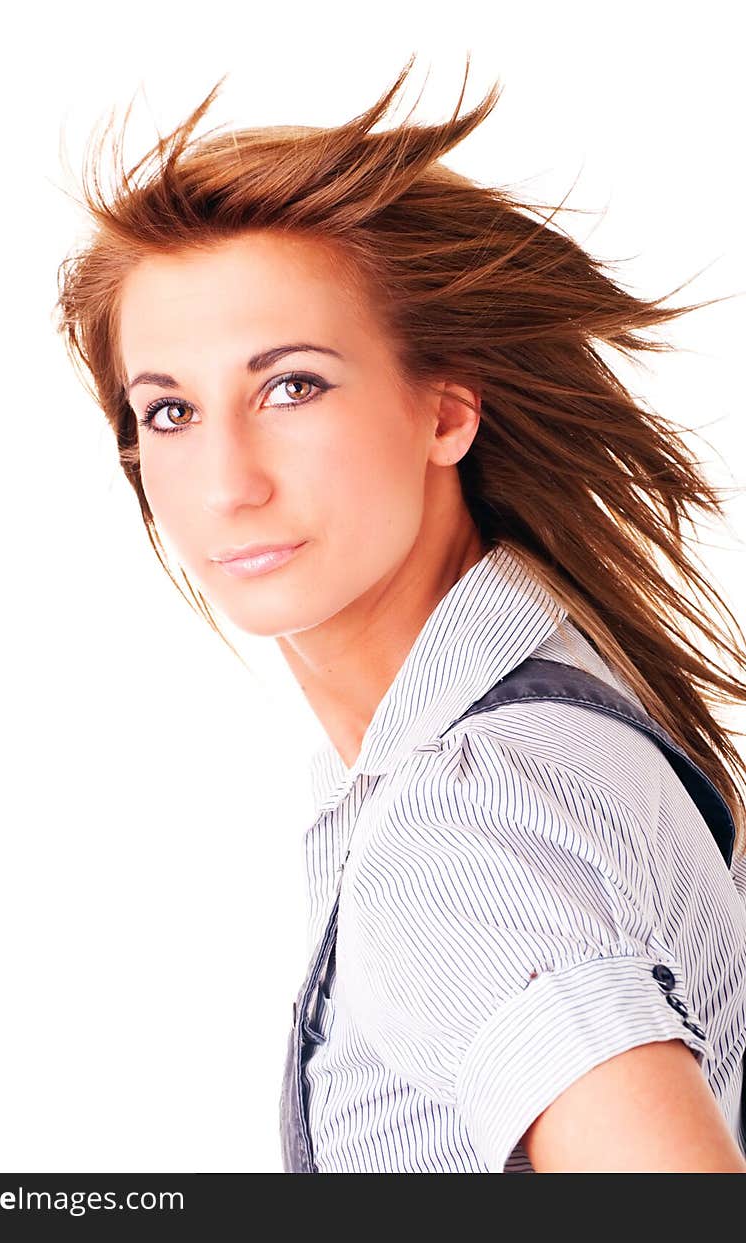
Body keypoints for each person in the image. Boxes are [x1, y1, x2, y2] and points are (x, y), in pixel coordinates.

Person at [53, 54, 746, 1172]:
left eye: (292, 387)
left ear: (447, 409)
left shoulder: (462, 816)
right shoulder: (560, 707)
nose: (227, 480)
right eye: (170, 409)